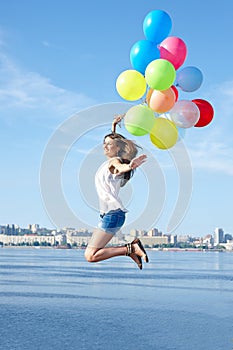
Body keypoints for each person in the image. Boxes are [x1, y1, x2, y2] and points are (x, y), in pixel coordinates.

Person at [84, 115, 149, 269]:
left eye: (109, 144)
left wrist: (130, 167)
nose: (105, 147)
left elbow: (120, 167)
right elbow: (114, 145)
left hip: (113, 214)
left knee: (91, 255)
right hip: (111, 214)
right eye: (104, 144)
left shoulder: (115, 162)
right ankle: (130, 250)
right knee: (91, 255)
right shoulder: (112, 160)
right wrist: (113, 126)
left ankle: (132, 249)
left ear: (118, 148)